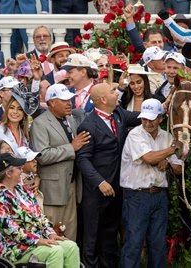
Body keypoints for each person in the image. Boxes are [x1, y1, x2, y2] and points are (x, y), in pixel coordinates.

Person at [76, 82, 140, 267]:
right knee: (92, 236)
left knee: (110, 234)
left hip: (117, 188)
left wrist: (165, 105)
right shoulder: (88, 125)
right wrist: (100, 182)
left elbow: (141, 116)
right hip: (97, 192)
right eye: (113, 91)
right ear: (103, 99)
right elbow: (83, 160)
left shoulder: (119, 114)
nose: (117, 93)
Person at [0, 153, 80, 266]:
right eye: (18, 168)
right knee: (55, 251)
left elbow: (39, 215)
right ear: (8, 173)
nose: (21, 171)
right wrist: (37, 241)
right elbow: (11, 230)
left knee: (71, 247)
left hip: (38, 239)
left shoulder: (22, 190)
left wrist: (50, 233)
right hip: (14, 248)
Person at [120, 98, 182, 267]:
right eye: (144, 119)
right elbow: (148, 158)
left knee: (158, 244)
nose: (147, 122)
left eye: (151, 119)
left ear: (160, 119)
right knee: (134, 242)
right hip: (137, 196)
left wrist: (168, 162)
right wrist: (170, 150)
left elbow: (179, 168)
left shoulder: (167, 136)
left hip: (159, 195)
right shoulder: (135, 134)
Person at [31, 84, 89, 241]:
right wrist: (71, 147)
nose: (68, 103)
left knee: (71, 235)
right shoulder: (39, 123)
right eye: (63, 100)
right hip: (52, 191)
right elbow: (42, 155)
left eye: (69, 99)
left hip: (72, 185)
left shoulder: (71, 119)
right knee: (54, 236)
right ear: (50, 103)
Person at [0, 85, 37, 151]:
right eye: (12, 108)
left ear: (24, 114)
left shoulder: (26, 134)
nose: (15, 112)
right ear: (7, 110)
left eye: (20, 109)